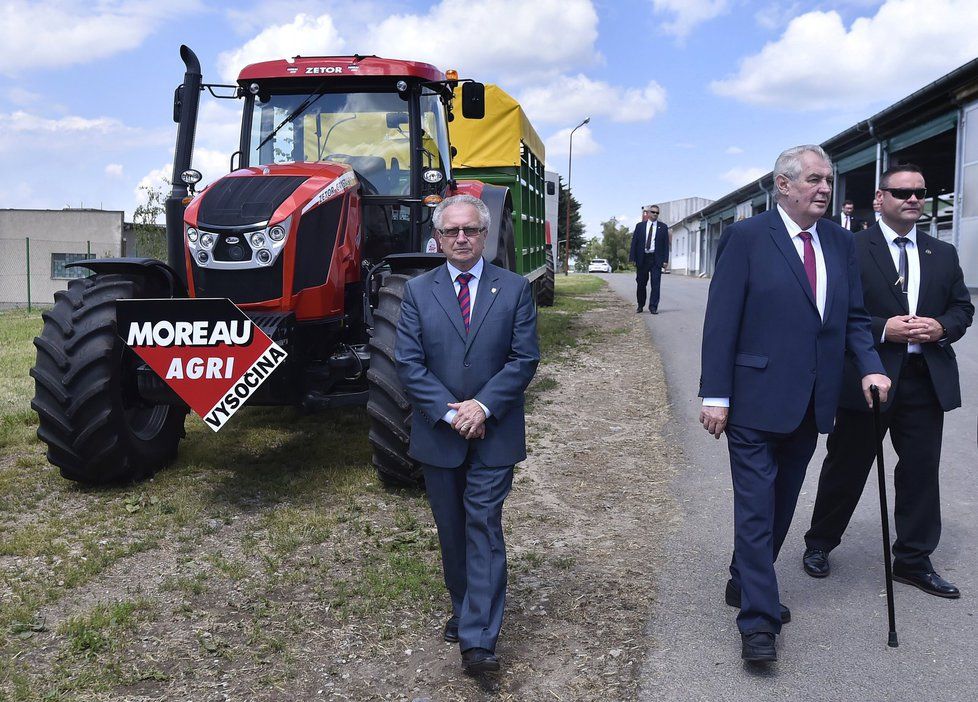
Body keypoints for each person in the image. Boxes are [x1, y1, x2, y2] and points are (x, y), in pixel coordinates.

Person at [698, 144, 890, 663]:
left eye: (828, 180)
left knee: (782, 506)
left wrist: (871, 364)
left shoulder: (838, 242)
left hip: (812, 401)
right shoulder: (745, 238)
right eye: (813, 180)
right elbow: (722, 322)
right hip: (754, 400)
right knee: (757, 510)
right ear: (782, 185)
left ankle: (744, 578)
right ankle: (759, 622)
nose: (824, 188)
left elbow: (852, 317)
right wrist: (715, 396)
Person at [802, 164, 974, 597]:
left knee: (919, 471)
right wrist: (883, 329)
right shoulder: (849, 247)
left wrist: (940, 327)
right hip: (868, 376)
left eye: (920, 192)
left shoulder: (943, 252)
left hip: (924, 378)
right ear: (880, 199)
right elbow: (832, 310)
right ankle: (820, 543)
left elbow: (962, 309)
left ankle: (913, 560)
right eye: (902, 192)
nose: (913, 199)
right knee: (848, 464)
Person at [395, 194, 540, 675]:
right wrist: (449, 412)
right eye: (452, 231)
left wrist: (481, 406)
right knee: (452, 531)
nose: (462, 238)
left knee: (482, 525)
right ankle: (464, 609)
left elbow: (523, 359)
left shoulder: (514, 288)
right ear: (437, 238)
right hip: (440, 435)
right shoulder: (417, 292)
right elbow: (408, 363)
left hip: (494, 433)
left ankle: (479, 640)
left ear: (485, 235)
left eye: (471, 230)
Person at [629, 205, 669, 313]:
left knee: (655, 284)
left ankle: (653, 307)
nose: (655, 214)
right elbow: (634, 242)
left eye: (657, 213)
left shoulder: (663, 227)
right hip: (642, 258)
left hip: (656, 259)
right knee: (641, 283)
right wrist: (632, 257)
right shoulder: (640, 226)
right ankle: (640, 305)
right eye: (653, 212)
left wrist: (665, 260)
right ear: (649, 213)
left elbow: (666, 245)